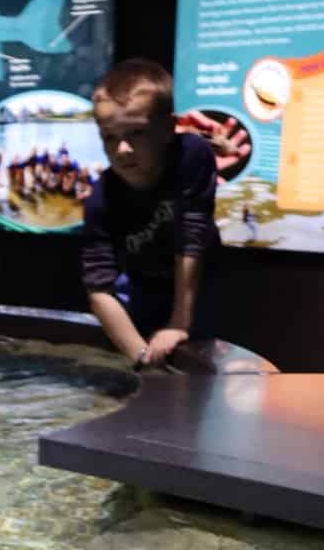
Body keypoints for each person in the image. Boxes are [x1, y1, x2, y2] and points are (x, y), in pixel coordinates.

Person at [81, 58, 220, 370]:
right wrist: (143, 360)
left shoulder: (192, 156)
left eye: (137, 133)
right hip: (141, 286)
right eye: (110, 137)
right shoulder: (99, 200)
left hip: (198, 284)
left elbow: (192, 237)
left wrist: (179, 323)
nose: (123, 149)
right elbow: (99, 289)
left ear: (168, 128)